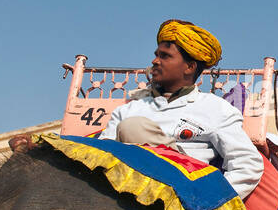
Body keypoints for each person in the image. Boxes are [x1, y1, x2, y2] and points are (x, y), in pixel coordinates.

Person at [100, 20, 265, 199]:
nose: (155, 61)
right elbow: (99, 155)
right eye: (156, 55)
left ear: (189, 67)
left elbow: (248, 163)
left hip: (183, 190)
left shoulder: (215, 108)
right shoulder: (128, 109)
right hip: (123, 190)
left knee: (133, 128)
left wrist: (207, 200)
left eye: (165, 56)